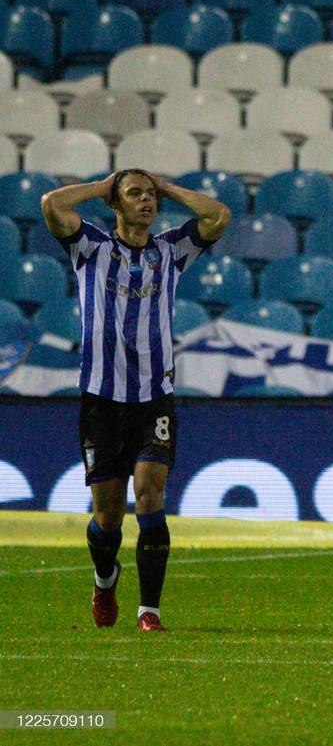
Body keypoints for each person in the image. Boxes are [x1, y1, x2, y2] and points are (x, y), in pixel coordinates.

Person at [40, 168, 232, 632]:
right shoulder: (91, 248)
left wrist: (169, 188)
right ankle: (105, 581)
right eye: (134, 195)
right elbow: (51, 204)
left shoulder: (170, 249)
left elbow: (219, 215)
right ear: (115, 203)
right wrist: (104, 185)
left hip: (154, 399)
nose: (146, 202)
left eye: (150, 195)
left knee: (149, 495)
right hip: (102, 400)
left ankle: (150, 611)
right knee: (107, 516)